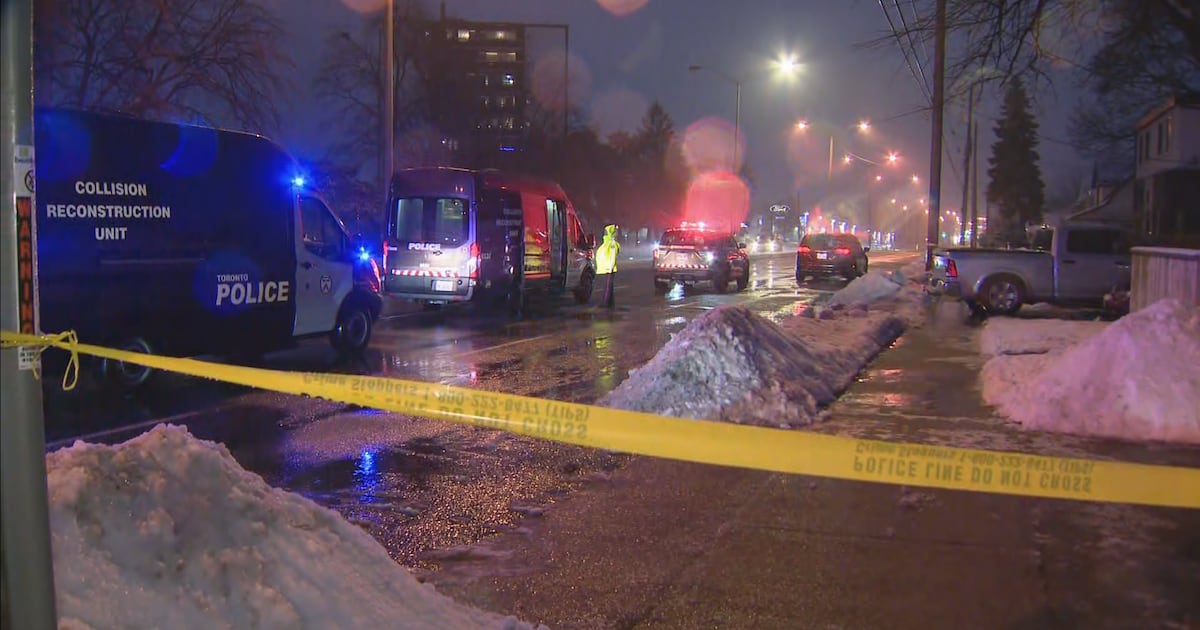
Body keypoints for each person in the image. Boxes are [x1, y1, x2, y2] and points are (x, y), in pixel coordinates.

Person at [595, 224, 620, 308]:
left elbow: (612, 256)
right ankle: (610, 303)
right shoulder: (608, 242)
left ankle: (605, 303)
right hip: (607, 268)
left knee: (607, 286)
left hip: (609, 268)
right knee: (609, 286)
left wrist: (610, 267)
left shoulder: (612, 243)